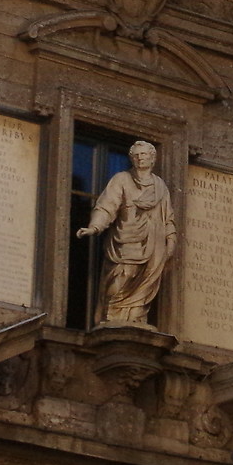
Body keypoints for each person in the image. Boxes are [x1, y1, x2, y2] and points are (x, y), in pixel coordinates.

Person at [76, 139, 176, 328]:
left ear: (152, 158)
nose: (140, 158)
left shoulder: (160, 186)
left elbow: (168, 217)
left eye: (143, 154)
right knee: (123, 274)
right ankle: (112, 315)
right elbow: (107, 206)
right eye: (136, 155)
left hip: (154, 242)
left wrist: (171, 238)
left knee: (146, 280)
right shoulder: (121, 179)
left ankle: (136, 317)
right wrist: (95, 226)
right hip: (128, 238)